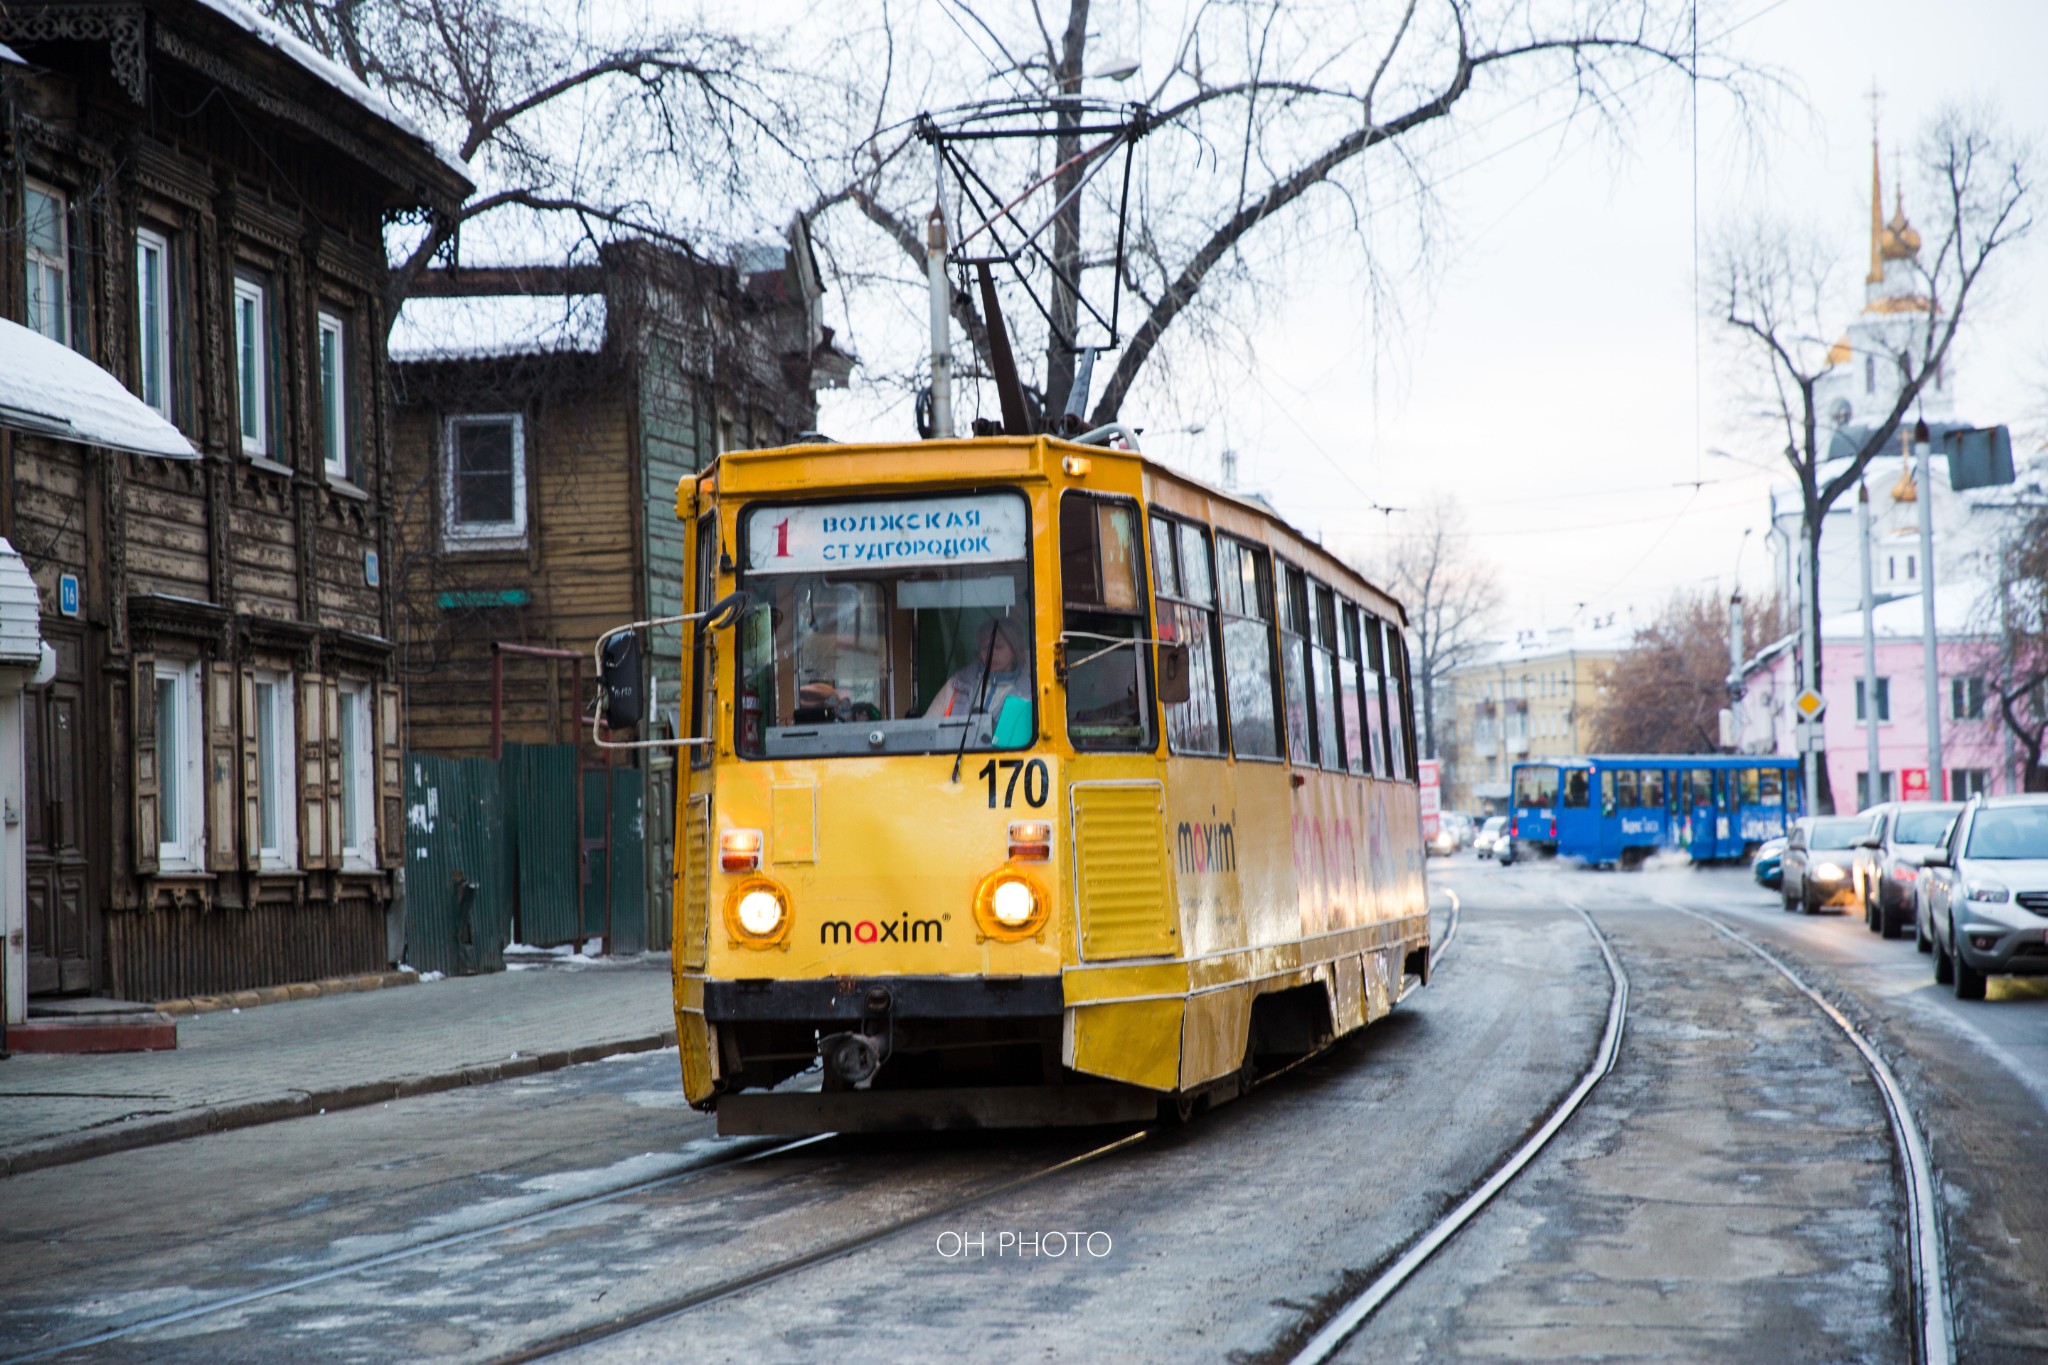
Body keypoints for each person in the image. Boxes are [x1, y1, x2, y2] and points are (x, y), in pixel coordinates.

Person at [925, 617, 1028, 718]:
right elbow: (928, 726)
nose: (991, 653)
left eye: (998, 646)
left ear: (1015, 650)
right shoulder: (957, 684)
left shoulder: (1029, 693)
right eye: (985, 647)